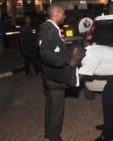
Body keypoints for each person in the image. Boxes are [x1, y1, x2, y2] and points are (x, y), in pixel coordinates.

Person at [73, 44, 113, 141]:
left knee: (110, 103)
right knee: (110, 100)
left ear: (78, 56)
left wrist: (59, 84)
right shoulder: (87, 50)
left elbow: (75, 81)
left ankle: (107, 135)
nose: (72, 61)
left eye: (73, 58)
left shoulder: (90, 59)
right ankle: (110, 125)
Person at [38, 3, 78, 141]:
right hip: (55, 77)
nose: (64, 16)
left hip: (50, 75)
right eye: (63, 13)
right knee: (57, 108)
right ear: (57, 14)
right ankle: (54, 136)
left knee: (50, 105)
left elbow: (53, 49)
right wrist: (66, 61)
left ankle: (48, 132)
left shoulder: (51, 28)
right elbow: (45, 54)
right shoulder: (49, 29)